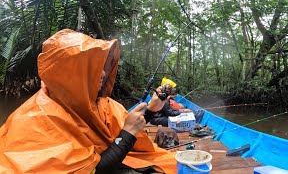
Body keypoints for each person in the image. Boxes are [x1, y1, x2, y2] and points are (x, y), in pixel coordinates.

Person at [0, 29, 176, 173]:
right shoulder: (36, 121)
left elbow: (123, 127)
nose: (103, 73)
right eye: (90, 67)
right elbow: (92, 171)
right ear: (67, 73)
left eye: (101, 66)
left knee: (171, 165)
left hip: (114, 161)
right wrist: (127, 133)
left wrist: (151, 111)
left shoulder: (99, 103)